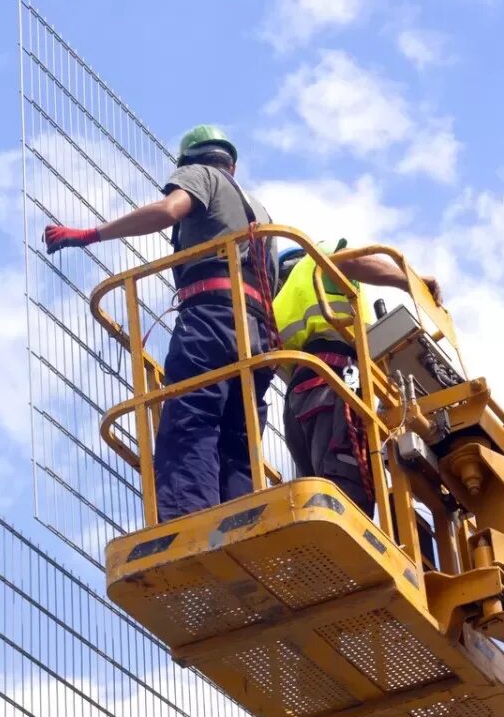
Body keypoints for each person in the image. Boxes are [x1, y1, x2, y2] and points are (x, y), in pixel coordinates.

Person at [45, 125, 278, 522]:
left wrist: (91, 234)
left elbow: (169, 210)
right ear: (232, 164)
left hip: (211, 319)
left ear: (188, 161)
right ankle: (245, 521)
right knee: (239, 439)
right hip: (258, 334)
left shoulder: (202, 175)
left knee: (191, 417)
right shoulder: (262, 212)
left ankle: (187, 524)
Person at [273, 241, 442, 516]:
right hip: (335, 380)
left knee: (318, 495)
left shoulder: (276, 307)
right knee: (346, 491)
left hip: (300, 399)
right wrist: (409, 281)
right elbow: (347, 262)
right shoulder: (313, 263)